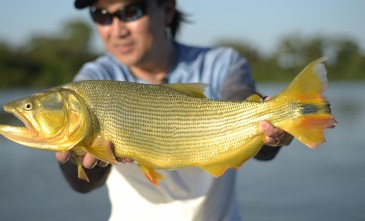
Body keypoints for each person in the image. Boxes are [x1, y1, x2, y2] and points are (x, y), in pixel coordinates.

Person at [55, 0, 293, 220]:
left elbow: (240, 97)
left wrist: (268, 121)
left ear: (168, 9)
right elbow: (80, 185)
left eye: (130, 12)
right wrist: (88, 163)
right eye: (102, 15)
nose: (117, 30)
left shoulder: (221, 61)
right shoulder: (93, 80)